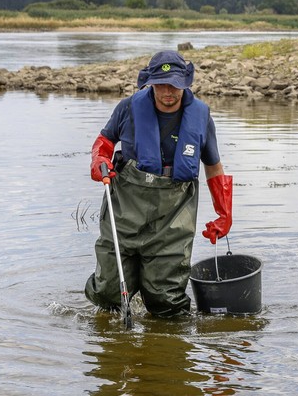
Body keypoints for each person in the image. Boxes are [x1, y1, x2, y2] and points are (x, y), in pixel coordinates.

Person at [85, 50, 233, 318]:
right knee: (108, 292)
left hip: (173, 217)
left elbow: (213, 167)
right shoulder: (128, 108)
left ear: (186, 83)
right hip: (125, 213)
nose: (168, 92)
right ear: (150, 83)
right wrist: (99, 161)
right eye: (161, 84)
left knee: (166, 301)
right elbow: (104, 142)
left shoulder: (201, 117)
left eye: (175, 85)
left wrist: (224, 214)